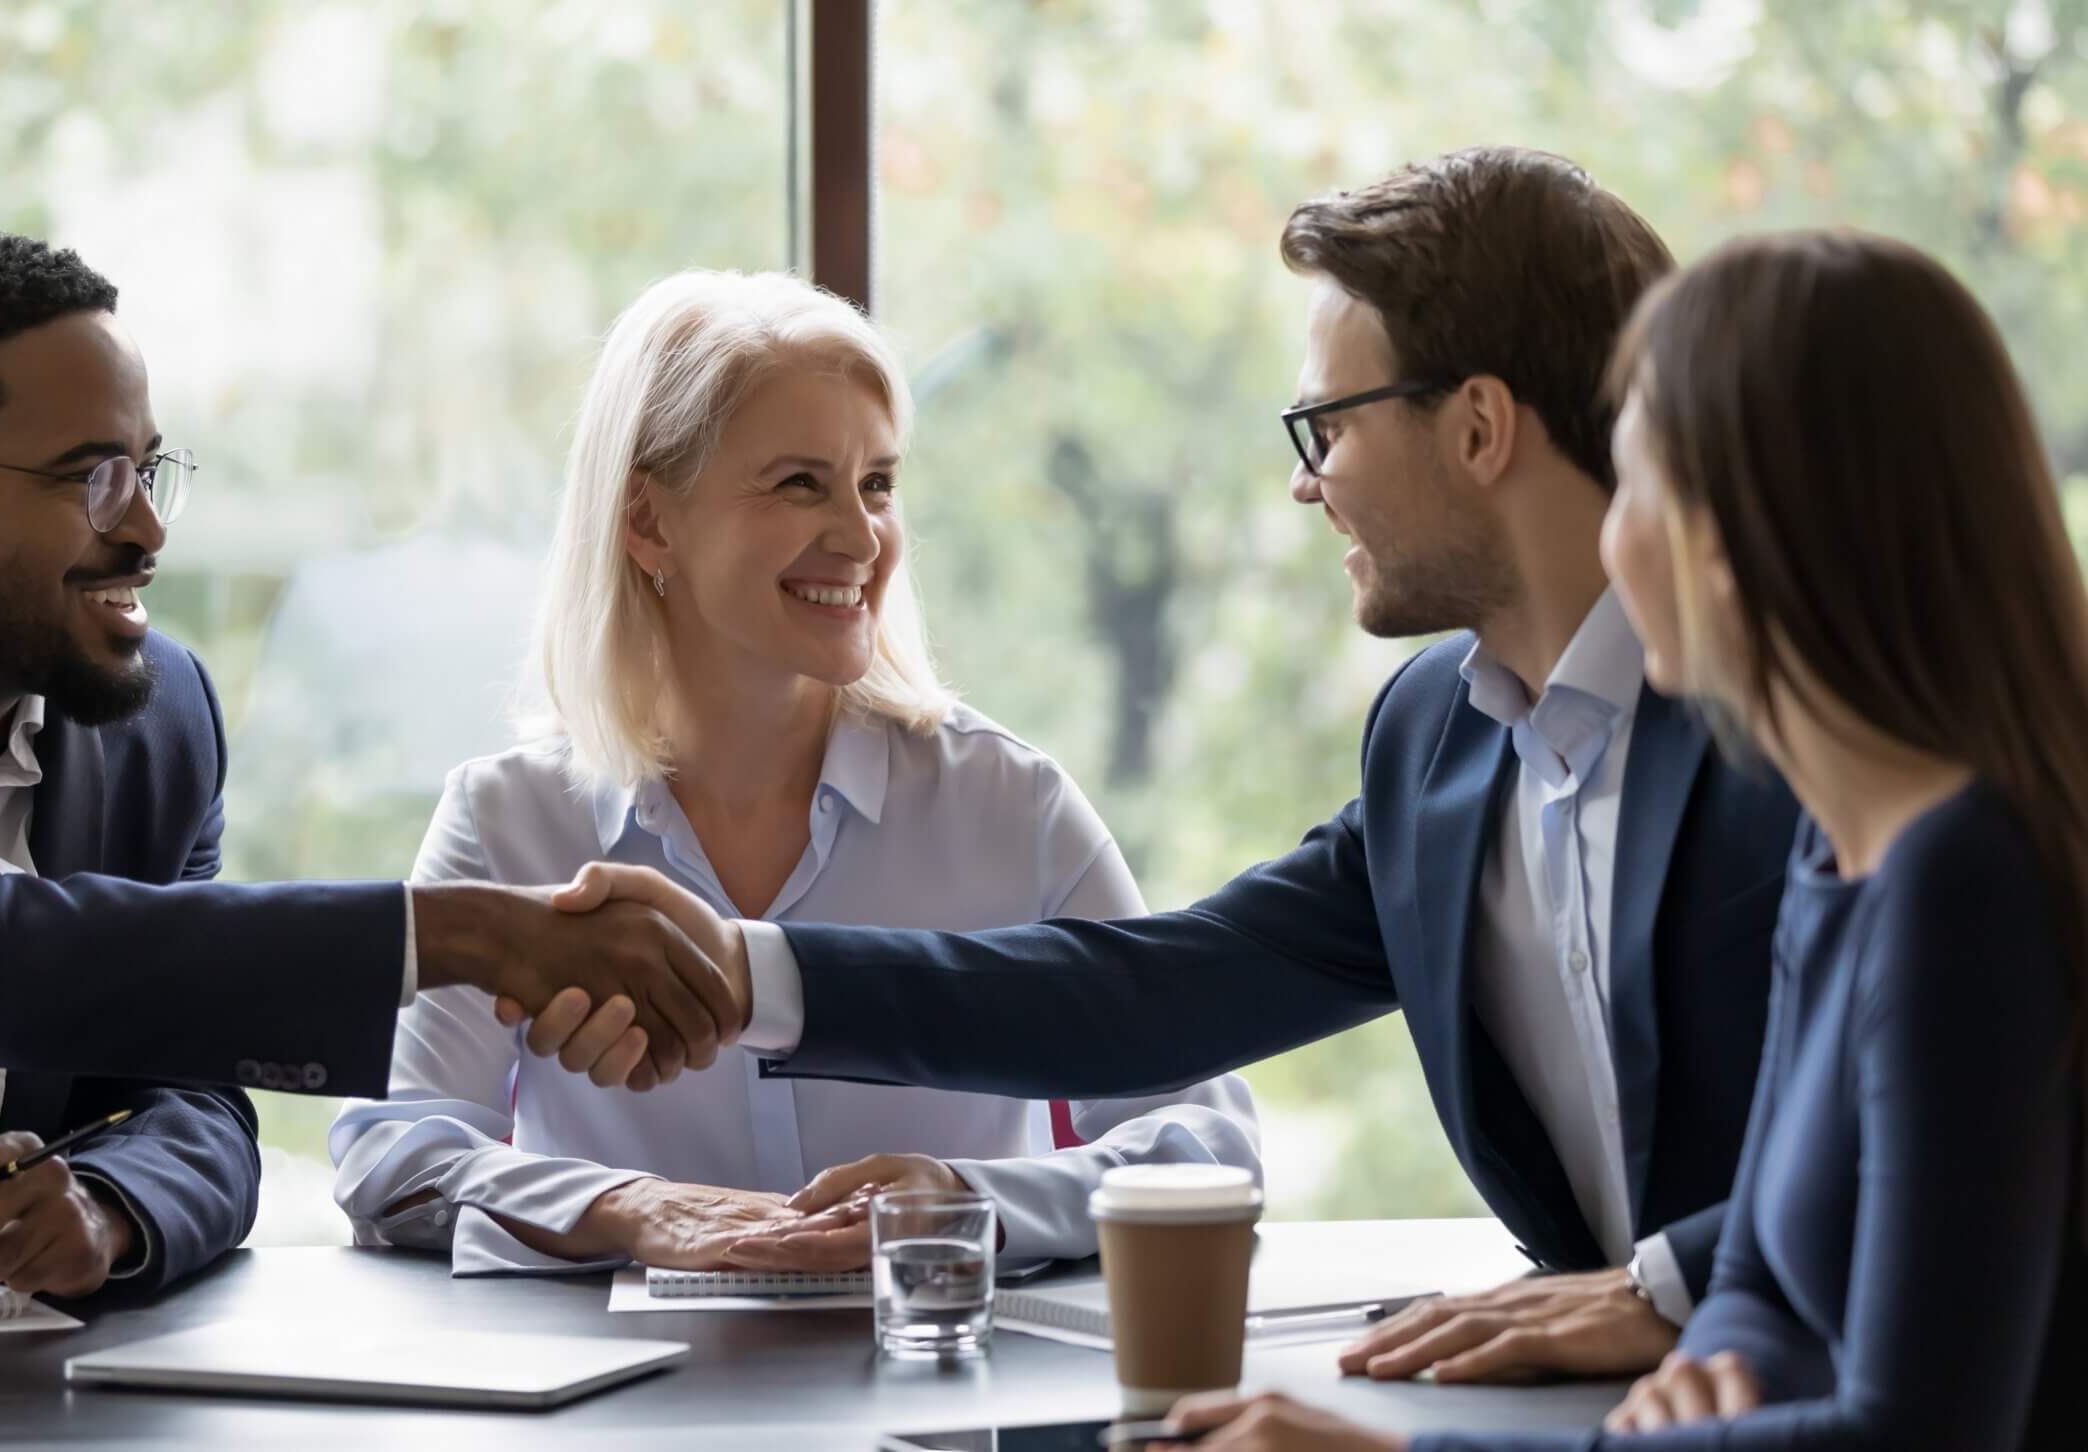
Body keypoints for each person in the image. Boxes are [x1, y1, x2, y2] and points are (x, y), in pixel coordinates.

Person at [531, 147, 1802, 1382]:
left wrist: (1668, 1286)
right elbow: (1152, 991)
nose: (1310, 487)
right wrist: (732, 968)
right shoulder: (1436, 742)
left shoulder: (1810, 715)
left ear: (1477, 429)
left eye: (1326, 426)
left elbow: (1949, 1114)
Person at [0, 229, 740, 1294]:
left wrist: (107, 1208)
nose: (148, 527)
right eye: (89, 477)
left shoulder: (156, 718)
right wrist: (471, 934)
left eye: (149, 468)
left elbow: (198, 1099)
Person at [1160, 230, 2088, 1450]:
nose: (1606, 536)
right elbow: (1757, 1273)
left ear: (1758, 525)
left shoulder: (1961, 881)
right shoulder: (1843, 858)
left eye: (1637, 481)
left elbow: (1919, 1431)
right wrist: (1718, 1363)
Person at [328, 270, 1260, 1274]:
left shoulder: (1008, 804)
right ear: (647, 523)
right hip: (633, 1414)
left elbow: (1203, 1144)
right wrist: (627, 1208)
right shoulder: (509, 819)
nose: (861, 538)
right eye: (799, 484)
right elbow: (394, 1151)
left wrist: (963, 1201)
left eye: (879, 485)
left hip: (943, 1391)